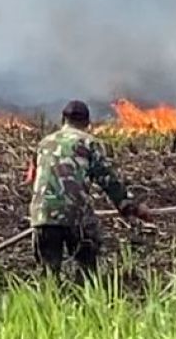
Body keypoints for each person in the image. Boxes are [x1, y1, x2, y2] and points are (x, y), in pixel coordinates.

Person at [24, 100, 152, 284]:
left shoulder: (44, 143)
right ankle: (85, 295)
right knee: (86, 264)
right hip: (75, 215)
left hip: (42, 215)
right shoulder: (89, 143)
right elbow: (108, 180)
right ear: (87, 123)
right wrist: (131, 208)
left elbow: (32, 178)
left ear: (63, 119)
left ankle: (49, 303)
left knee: (48, 272)